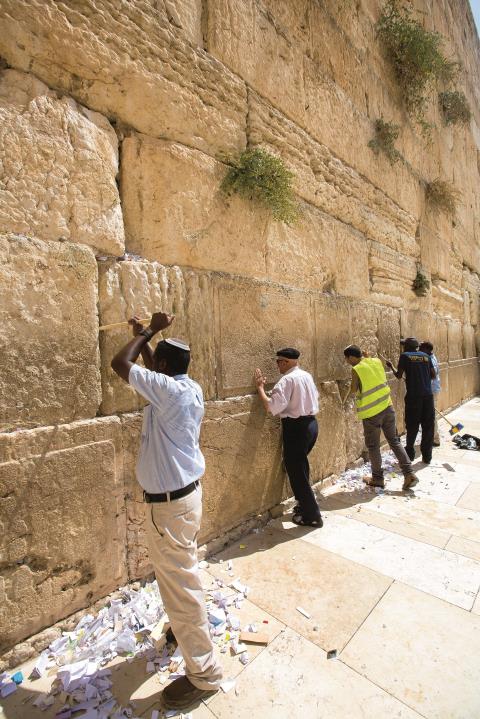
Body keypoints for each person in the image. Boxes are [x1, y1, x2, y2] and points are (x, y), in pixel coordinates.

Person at [111, 312, 222, 711]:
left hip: (170, 506)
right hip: (185, 499)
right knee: (182, 573)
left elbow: (119, 365)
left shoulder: (169, 391)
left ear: (161, 368)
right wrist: (144, 337)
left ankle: (204, 675)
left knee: (181, 586)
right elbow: (150, 370)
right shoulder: (187, 387)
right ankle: (181, 632)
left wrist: (149, 330)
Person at [254, 348, 322, 527]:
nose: (277, 365)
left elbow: (271, 407)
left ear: (286, 362)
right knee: (301, 467)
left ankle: (312, 515)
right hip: (311, 425)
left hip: (296, 429)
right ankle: (303, 504)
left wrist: (260, 388)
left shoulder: (287, 380)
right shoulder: (306, 375)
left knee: (296, 472)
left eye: (279, 361)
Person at [342, 345, 418, 490]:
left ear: (351, 357)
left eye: (347, 359)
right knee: (394, 441)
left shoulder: (356, 369)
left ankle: (377, 478)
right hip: (387, 407)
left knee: (373, 446)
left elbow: (353, 390)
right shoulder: (376, 361)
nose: (347, 362)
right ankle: (409, 473)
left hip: (371, 413)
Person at [386, 337, 436, 465]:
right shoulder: (426, 356)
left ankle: (410, 454)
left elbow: (398, 375)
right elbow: (433, 375)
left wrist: (391, 366)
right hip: (428, 396)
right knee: (428, 427)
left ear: (406, 347)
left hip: (414, 396)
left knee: (412, 426)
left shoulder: (405, 356)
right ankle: (427, 457)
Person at [419, 341, 441, 446]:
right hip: (433, 390)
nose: (419, 350)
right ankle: (433, 437)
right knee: (431, 415)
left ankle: (435, 439)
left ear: (427, 350)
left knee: (431, 416)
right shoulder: (431, 357)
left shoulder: (430, 359)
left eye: (421, 348)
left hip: (431, 390)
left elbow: (432, 377)